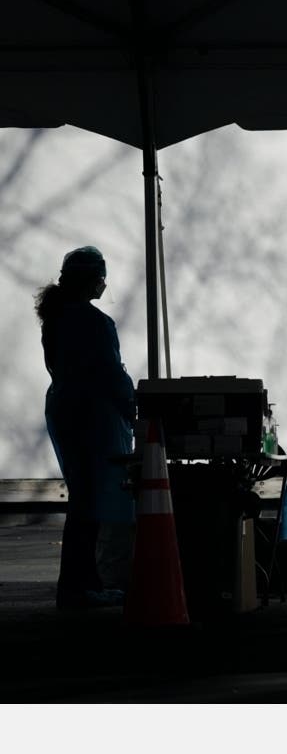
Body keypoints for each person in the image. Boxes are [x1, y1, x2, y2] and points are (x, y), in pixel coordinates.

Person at [35, 246, 135, 610]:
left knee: (82, 496)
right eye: (101, 278)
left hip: (64, 409)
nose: (104, 284)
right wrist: (133, 408)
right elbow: (112, 375)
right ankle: (81, 587)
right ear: (92, 280)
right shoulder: (96, 323)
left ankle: (79, 585)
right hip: (93, 416)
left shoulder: (56, 319)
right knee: (90, 502)